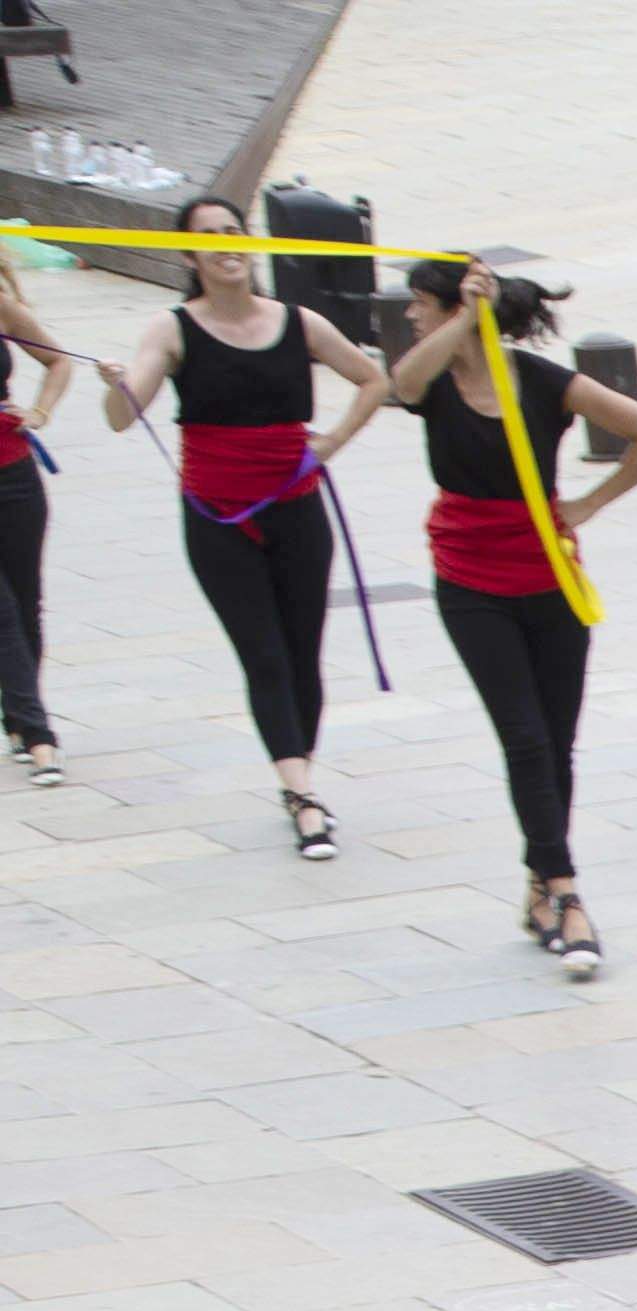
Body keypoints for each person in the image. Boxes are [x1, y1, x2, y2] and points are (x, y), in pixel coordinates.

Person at [372, 259, 637, 975]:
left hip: (549, 576)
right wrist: (463, 325)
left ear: (450, 308)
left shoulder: (542, 382)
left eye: (420, 304)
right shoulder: (434, 380)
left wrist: (590, 503)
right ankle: (566, 892)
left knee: (556, 743)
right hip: (469, 579)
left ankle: (540, 886)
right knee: (525, 737)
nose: (410, 315)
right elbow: (401, 385)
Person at [101, 201, 385, 855]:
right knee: (263, 654)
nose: (225, 244)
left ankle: (296, 771)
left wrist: (331, 442)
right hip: (218, 517)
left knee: (302, 653)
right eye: (209, 236)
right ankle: (303, 795)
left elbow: (373, 379)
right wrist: (117, 384)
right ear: (188, 255)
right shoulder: (172, 328)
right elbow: (121, 416)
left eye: (233, 232)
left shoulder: (299, 322)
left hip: (297, 507)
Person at [0, 239, 84, 787]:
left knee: (26, 602)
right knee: (3, 612)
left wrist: (40, 411)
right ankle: (38, 735)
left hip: (14, 474)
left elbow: (58, 360)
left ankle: (16, 714)